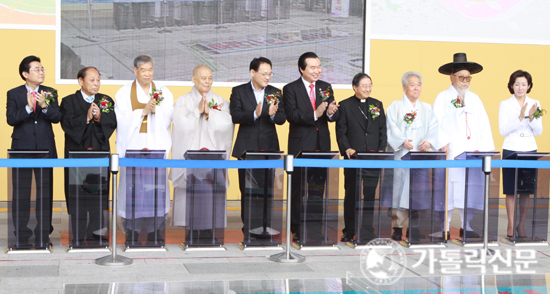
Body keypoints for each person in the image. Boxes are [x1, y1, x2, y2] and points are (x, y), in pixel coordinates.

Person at [433, 53, 494, 239]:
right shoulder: (442, 97)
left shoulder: (475, 99)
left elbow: (484, 126)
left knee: (470, 191)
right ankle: (445, 226)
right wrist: (441, 144)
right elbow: (434, 123)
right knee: (449, 192)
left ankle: (466, 226)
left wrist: (487, 153)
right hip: (451, 153)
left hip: (472, 154)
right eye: (461, 77)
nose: (465, 81)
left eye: (468, 78)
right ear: (452, 77)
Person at [114, 55, 174, 245]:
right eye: (143, 70)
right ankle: (132, 231)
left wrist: (157, 110)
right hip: (133, 148)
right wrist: (142, 112)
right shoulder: (123, 93)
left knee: (156, 191)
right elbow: (121, 121)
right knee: (134, 192)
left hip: (156, 147)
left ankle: (155, 231)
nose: (147, 74)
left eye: (150, 69)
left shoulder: (163, 92)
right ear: (135, 70)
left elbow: (169, 116)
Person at [171, 65, 233, 242]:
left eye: (210, 78)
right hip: (191, 156)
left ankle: (209, 230)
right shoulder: (183, 100)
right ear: (193, 79)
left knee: (210, 193)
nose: (207, 81)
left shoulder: (220, 101)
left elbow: (227, 126)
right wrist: (196, 112)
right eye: (203, 78)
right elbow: (180, 125)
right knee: (191, 192)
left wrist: (210, 114)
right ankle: (190, 230)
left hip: (212, 156)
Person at [283, 52, 339, 242]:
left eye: (319, 66)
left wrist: (331, 112)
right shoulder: (290, 89)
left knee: (317, 189)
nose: (318, 70)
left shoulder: (326, 87)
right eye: (313, 67)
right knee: (298, 189)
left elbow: (331, 114)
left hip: (322, 146)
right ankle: (297, 228)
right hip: (300, 146)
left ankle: (315, 227)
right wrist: (315, 114)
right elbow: (292, 115)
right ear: (302, 69)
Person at [6, 55, 62, 247]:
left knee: (44, 194)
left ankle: (43, 233)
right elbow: (11, 119)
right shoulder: (13, 93)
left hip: (45, 150)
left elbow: (57, 117)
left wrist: (45, 106)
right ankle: (21, 233)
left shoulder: (50, 92)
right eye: (37, 69)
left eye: (42, 69)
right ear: (25, 73)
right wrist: (28, 108)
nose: (41, 72)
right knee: (21, 194)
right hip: (21, 150)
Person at [60, 66, 117, 245]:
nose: (96, 83)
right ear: (80, 81)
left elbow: (112, 122)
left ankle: (97, 235)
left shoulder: (105, 100)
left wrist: (100, 118)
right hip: (77, 155)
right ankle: (77, 235)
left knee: (98, 194)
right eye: (92, 80)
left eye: (98, 80)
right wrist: (86, 117)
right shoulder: (68, 101)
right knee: (77, 194)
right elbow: (67, 125)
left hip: (99, 155)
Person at [230, 57, 286, 239]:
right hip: (247, 149)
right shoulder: (239, 91)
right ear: (252, 72)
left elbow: (282, 119)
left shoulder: (275, 92)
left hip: (269, 149)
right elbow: (235, 116)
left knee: (267, 191)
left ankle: (266, 227)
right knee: (247, 192)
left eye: (270, 74)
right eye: (264, 73)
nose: (267, 77)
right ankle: (249, 229)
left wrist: (272, 115)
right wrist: (255, 113)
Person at [385, 71, 439, 241]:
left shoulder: (427, 108)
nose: (416, 88)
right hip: (402, 155)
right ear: (404, 87)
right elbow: (390, 127)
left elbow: (433, 127)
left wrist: (429, 141)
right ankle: (398, 227)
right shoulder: (394, 106)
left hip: (419, 156)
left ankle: (414, 227)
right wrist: (401, 141)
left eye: (419, 84)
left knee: (418, 192)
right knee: (399, 191)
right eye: (412, 84)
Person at [336, 73, 387, 243]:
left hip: (373, 158)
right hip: (353, 158)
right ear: (355, 87)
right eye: (364, 86)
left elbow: (382, 131)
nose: (368, 89)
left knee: (370, 195)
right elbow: (341, 132)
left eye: (370, 85)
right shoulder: (345, 106)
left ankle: (367, 229)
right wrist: (347, 148)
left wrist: (381, 150)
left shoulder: (377, 104)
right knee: (352, 194)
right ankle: (349, 230)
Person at [499, 70, 543, 240]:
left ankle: (521, 225)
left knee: (525, 190)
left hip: (529, 149)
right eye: (517, 83)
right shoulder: (505, 104)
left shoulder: (535, 103)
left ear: (529, 86)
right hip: (511, 148)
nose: (520, 87)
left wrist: (532, 118)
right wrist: (520, 117)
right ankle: (510, 225)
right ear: (511, 85)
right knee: (510, 190)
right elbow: (503, 130)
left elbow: (539, 131)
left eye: (524, 84)